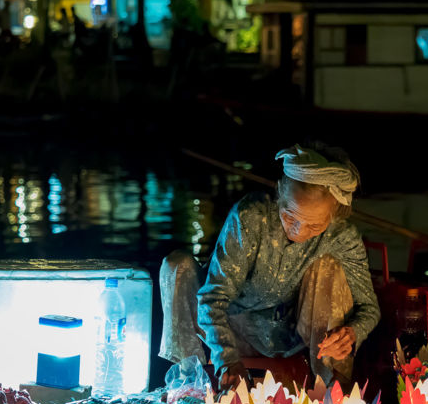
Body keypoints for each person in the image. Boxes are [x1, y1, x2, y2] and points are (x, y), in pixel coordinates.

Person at [159, 144, 381, 390]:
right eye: (290, 216)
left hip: (289, 334)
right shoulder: (251, 217)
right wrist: (227, 358)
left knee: (329, 266)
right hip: (230, 330)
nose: (298, 231)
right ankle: (188, 385)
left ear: (333, 216)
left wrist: (352, 333)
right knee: (176, 266)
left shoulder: (341, 235)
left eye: (314, 226)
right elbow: (213, 296)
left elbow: (369, 308)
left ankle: (332, 390)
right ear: (279, 195)